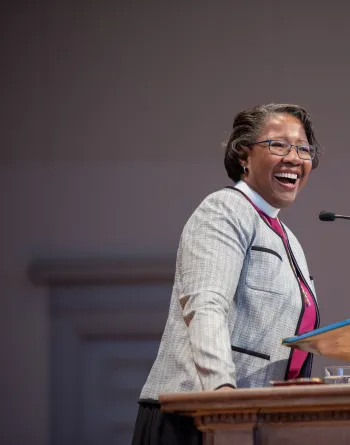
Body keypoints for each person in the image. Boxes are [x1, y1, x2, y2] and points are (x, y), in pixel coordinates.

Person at [131, 103, 322, 445]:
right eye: (278, 144)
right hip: (198, 419)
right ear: (243, 156)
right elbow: (206, 305)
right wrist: (223, 396)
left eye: (303, 148)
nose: (294, 157)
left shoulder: (286, 237)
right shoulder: (224, 209)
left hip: (250, 419)